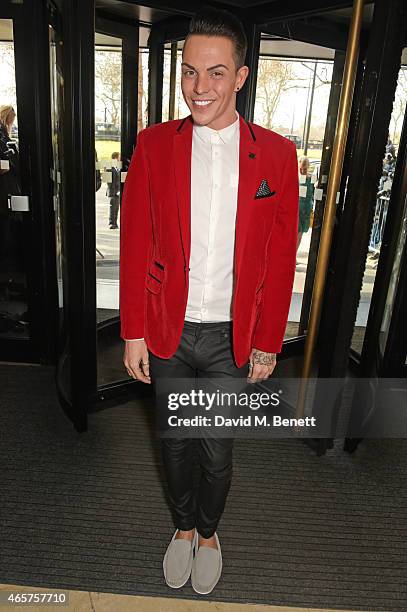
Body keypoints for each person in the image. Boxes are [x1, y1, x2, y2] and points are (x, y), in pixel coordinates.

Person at [120, 8, 298, 595]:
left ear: (241, 77)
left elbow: (279, 254)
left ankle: (208, 532)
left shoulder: (276, 155)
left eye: (216, 73)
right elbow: (136, 240)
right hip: (170, 329)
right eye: (190, 72)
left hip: (230, 336)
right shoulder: (154, 144)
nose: (199, 88)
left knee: (216, 451)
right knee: (173, 445)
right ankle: (180, 529)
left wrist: (269, 340)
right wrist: (133, 330)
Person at [297, 155, 314, 258]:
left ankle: (294, 255)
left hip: (306, 209)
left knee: (300, 233)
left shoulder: (311, 178)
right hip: (296, 208)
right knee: (296, 232)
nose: (303, 171)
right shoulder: (294, 177)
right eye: (301, 168)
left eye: (305, 168)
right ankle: (291, 256)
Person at [106, 151, 121, 229]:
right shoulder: (109, 167)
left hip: (117, 192)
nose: (120, 158)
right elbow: (109, 181)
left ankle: (115, 223)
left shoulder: (118, 167)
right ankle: (112, 223)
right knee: (112, 207)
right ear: (115, 158)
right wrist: (115, 191)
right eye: (119, 157)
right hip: (112, 192)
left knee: (116, 208)